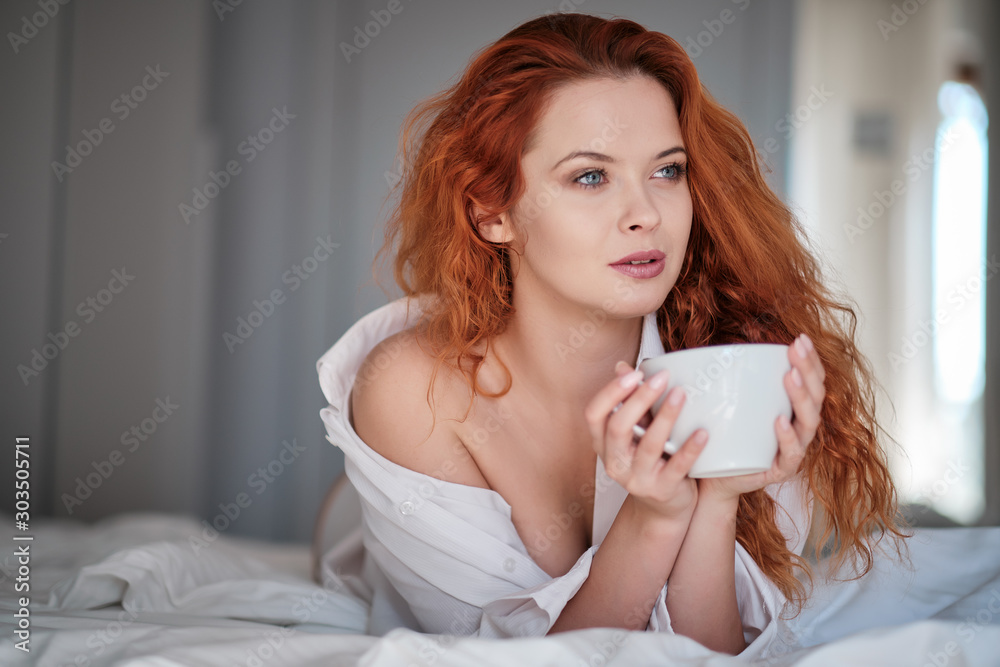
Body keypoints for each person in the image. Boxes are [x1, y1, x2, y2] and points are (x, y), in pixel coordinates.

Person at [316, 12, 907, 657]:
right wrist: (653, 518)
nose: (646, 215)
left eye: (668, 171)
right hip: (384, 511)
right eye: (591, 177)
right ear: (492, 212)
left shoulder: (738, 364)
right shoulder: (413, 390)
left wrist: (715, 497)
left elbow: (705, 653)